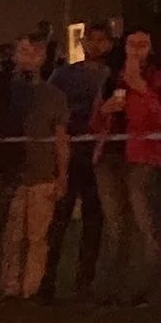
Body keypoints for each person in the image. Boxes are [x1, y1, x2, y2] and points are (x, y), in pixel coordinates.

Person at [46, 24, 115, 300]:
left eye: (101, 40)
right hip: (70, 151)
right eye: (91, 39)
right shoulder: (64, 75)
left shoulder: (112, 76)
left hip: (98, 155)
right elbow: (51, 105)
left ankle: (84, 281)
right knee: (59, 218)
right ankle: (47, 278)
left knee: (93, 220)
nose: (95, 45)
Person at [0, 36, 70, 301]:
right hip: (15, 174)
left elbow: (61, 137)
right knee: (12, 234)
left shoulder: (54, 96)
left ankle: (32, 286)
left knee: (38, 235)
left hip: (43, 173)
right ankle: (10, 285)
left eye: (33, 53)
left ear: (42, 58)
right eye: (22, 52)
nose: (27, 58)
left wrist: (62, 174)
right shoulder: (7, 93)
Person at [97, 28, 161, 305]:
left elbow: (156, 116)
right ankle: (114, 288)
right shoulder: (112, 78)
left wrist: (140, 87)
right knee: (115, 225)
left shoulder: (154, 79)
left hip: (142, 158)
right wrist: (104, 111)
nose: (136, 49)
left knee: (144, 225)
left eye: (142, 44)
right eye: (131, 44)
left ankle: (148, 287)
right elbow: (96, 119)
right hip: (110, 157)